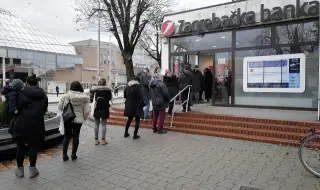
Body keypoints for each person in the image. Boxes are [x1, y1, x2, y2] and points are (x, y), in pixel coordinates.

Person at [13, 74, 48, 178]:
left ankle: (20, 171)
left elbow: (15, 109)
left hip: (21, 123)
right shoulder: (43, 95)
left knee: (20, 146)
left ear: (26, 83)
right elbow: (44, 110)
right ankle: (32, 170)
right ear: (37, 83)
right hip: (37, 124)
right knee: (33, 146)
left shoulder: (20, 93)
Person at [58, 81, 90, 161]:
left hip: (68, 119)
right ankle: (73, 155)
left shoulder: (65, 96)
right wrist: (84, 118)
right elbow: (86, 111)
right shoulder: (84, 98)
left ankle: (64, 155)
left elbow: (60, 107)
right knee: (76, 136)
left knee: (67, 136)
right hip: (78, 120)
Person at [90, 78, 112, 145]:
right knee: (104, 124)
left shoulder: (95, 89)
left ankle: (96, 140)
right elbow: (110, 98)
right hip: (105, 108)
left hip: (97, 108)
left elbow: (91, 98)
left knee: (96, 125)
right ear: (105, 83)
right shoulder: (108, 90)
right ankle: (103, 140)